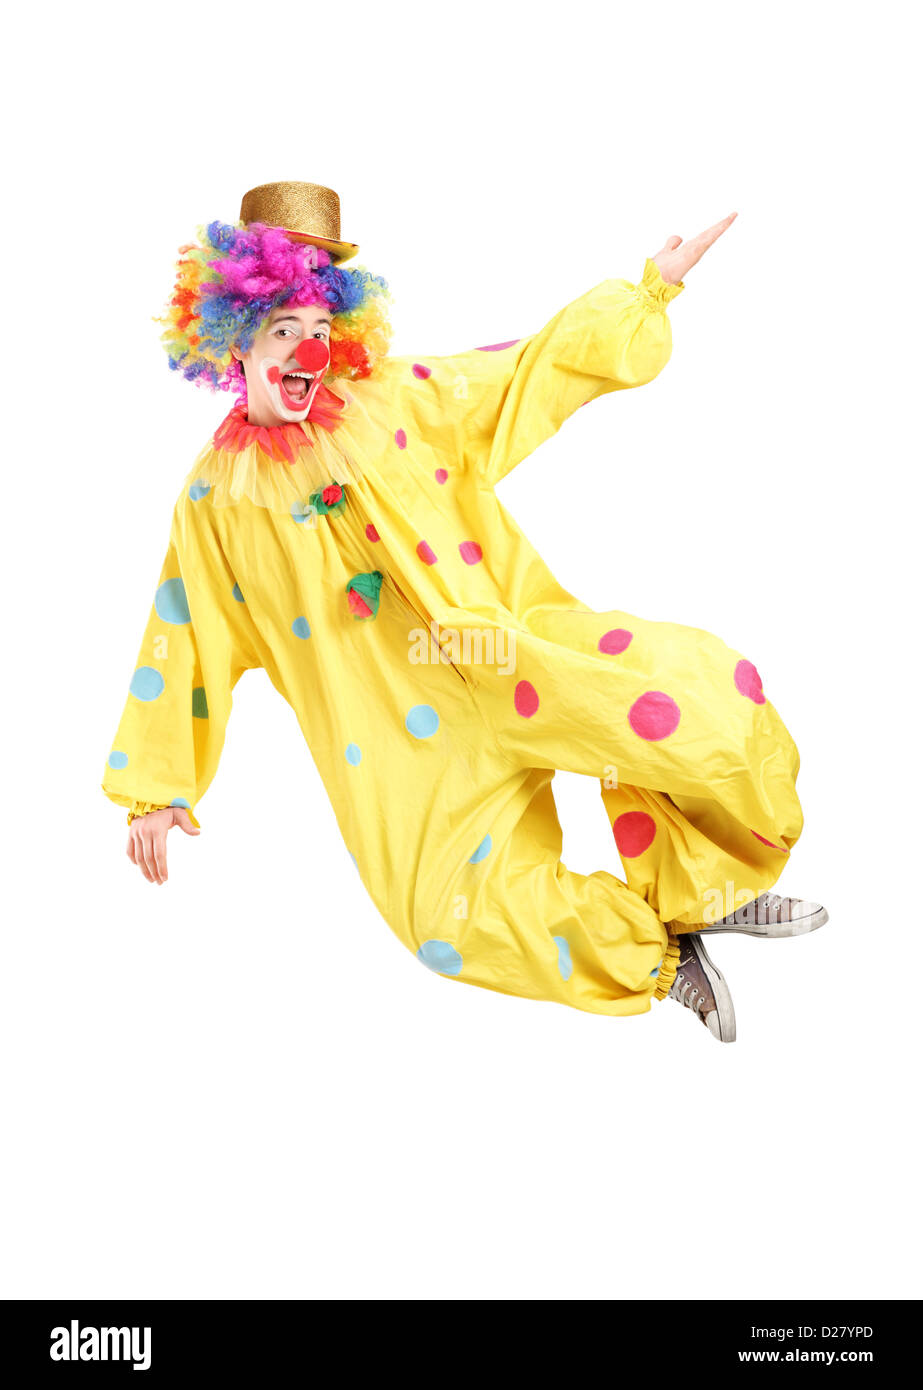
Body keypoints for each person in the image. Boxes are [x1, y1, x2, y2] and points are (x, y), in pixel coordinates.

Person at [101, 180, 828, 1044]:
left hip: (515, 657)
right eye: (282, 331)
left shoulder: (399, 402)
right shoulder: (217, 502)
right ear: (233, 339)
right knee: (443, 916)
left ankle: (715, 888)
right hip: (403, 741)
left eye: (319, 330)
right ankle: (656, 961)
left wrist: (646, 290)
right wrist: (157, 791)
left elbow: (520, 376)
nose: (305, 349)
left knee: (697, 702)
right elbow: (184, 634)